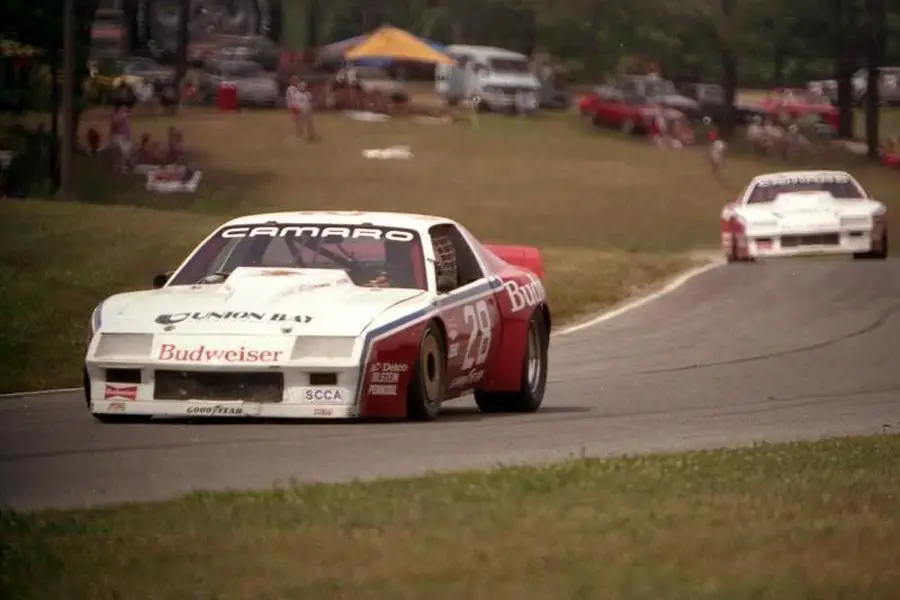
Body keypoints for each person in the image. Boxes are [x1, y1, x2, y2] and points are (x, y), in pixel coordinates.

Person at [285, 76, 318, 142]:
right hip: (299, 109)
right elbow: (293, 101)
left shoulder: (306, 93)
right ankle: (300, 135)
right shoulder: (293, 91)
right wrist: (294, 108)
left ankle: (310, 135)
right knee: (299, 123)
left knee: (308, 123)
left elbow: (310, 101)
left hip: (306, 110)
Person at [109, 104, 132, 173]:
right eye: (123, 109)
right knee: (118, 153)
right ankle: (117, 167)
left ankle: (122, 168)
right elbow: (113, 125)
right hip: (117, 136)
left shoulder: (126, 118)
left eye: (125, 110)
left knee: (122, 153)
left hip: (124, 136)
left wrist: (128, 136)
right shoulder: (116, 117)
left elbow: (128, 128)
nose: (125, 111)